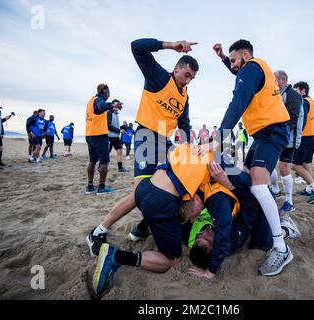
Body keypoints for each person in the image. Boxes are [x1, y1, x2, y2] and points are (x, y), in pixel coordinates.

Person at [86, 38, 198, 249]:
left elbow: (184, 124)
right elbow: (136, 47)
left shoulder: (185, 96)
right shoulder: (158, 77)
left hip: (165, 143)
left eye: (192, 78)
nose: (188, 81)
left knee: (170, 189)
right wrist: (170, 45)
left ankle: (142, 228)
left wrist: (186, 148)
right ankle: (98, 231)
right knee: (141, 194)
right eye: (186, 75)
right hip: (146, 136)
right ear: (177, 69)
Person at [213, 40, 292, 275]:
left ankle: (281, 246)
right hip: (261, 134)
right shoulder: (250, 68)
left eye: (235, 60)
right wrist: (223, 59)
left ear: (246, 55)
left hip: (273, 131)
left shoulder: (252, 68)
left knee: (258, 184)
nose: (234, 66)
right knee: (246, 176)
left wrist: (219, 136)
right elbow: (237, 70)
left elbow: (237, 103)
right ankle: (282, 227)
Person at [91, 144, 210, 296]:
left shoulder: (188, 148)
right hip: (159, 201)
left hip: (144, 188)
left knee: (174, 209)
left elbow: (170, 152)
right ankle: (116, 256)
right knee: (173, 259)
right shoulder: (209, 164)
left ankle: (140, 229)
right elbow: (198, 201)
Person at [185, 161, 300, 278]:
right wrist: (210, 272)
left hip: (240, 191)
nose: (205, 232)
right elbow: (250, 204)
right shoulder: (231, 239)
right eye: (206, 239)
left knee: (220, 163)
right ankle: (286, 228)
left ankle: (221, 159)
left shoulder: (201, 235)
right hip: (258, 199)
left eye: (200, 236)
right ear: (214, 248)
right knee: (261, 245)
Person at [269, 71, 304, 213]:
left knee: (284, 168)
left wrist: (278, 133)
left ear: (281, 80)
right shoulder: (278, 94)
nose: (272, 82)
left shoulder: (293, 94)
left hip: (289, 138)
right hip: (276, 136)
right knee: (269, 164)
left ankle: (289, 201)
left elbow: (292, 118)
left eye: (273, 79)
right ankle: (276, 190)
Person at [292, 81, 314, 204]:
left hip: (305, 136)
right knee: (306, 164)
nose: (295, 94)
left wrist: (296, 133)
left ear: (303, 91)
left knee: (295, 165)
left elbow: (303, 118)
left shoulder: (304, 101)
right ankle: (309, 189)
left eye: (296, 91)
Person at [85, 84, 117, 195]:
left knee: (92, 161)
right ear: (105, 92)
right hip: (99, 135)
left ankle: (89, 186)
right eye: (108, 93)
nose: (109, 95)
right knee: (104, 162)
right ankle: (101, 187)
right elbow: (101, 106)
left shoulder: (90, 100)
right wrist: (112, 105)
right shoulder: (98, 100)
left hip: (89, 134)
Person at [107, 100, 128, 172]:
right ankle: (101, 166)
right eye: (116, 104)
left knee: (119, 151)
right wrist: (119, 130)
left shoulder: (117, 114)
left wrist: (120, 130)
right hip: (108, 137)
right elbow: (108, 126)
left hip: (116, 137)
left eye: (118, 105)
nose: (117, 106)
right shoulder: (109, 113)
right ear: (112, 105)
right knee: (107, 153)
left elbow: (115, 125)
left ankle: (120, 167)